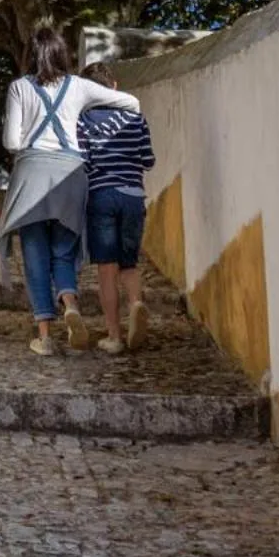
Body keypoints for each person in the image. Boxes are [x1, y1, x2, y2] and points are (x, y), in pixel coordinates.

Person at [0, 27, 141, 356]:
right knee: (64, 251)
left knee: (35, 255)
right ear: (62, 53)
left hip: (32, 173)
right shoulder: (79, 86)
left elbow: (12, 142)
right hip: (70, 174)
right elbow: (131, 102)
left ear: (30, 56)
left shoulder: (19, 87)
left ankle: (45, 337)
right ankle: (70, 305)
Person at [78, 63, 156, 354]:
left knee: (106, 269)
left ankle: (114, 335)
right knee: (129, 264)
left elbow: (84, 163)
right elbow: (148, 160)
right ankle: (136, 303)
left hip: (101, 197)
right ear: (113, 85)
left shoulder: (84, 122)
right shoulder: (136, 119)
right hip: (133, 195)